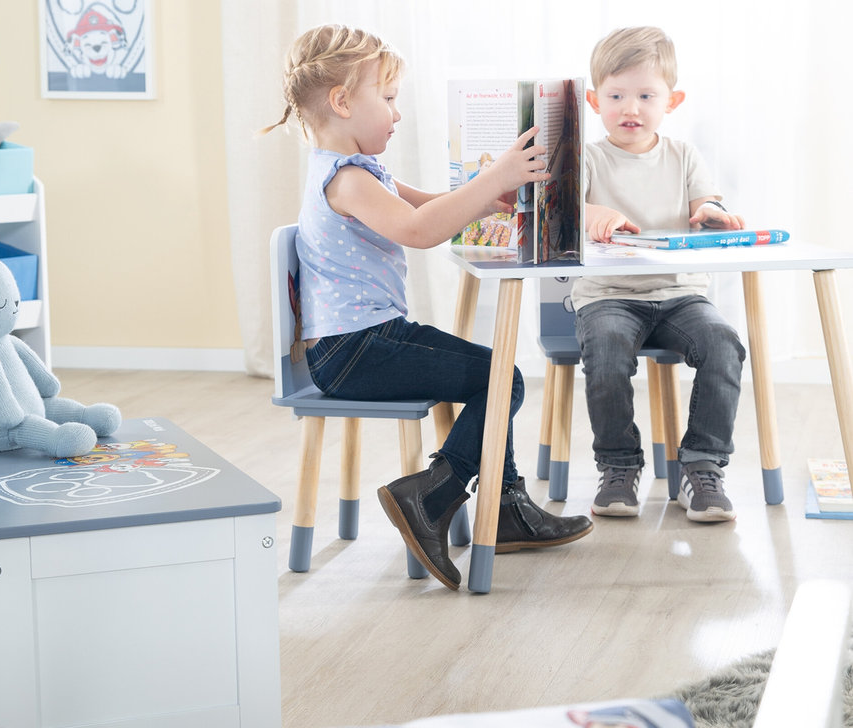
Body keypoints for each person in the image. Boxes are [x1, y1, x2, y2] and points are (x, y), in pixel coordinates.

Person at [263, 24, 593, 590]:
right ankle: (432, 495)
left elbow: (432, 207)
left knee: (495, 375)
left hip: (365, 343)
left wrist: (488, 196)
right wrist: (496, 174)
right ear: (342, 102)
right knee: (500, 377)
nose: (396, 114)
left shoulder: (367, 172)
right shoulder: (343, 179)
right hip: (354, 352)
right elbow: (416, 230)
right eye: (387, 99)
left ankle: (503, 507)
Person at [576, 26, 747, 523]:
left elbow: (704, 202)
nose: (631, 108)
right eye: (616, 96)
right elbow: (569, 212)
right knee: (606, 350)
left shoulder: (683, 156)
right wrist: (595, 215)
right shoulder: (585, 158)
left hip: (679, 294)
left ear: (671, 101)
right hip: (608, 295)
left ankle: (702, 466)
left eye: (646, 95)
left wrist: (713, 213)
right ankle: (618, 466)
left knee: (723, 343)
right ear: (594, 100)